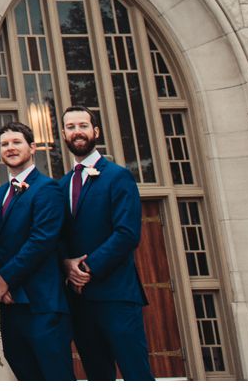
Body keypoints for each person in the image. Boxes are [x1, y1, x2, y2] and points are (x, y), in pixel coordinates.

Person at [59, 106, 153, 380]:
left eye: (83, 125)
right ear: (63, 134)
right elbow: (58, 236)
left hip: (117, 295)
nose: (77, 132)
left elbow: (127, 233)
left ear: (96, 131)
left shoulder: (118, 176)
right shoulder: (62, 185)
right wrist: (66, 264)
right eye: (71, 127)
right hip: (80, 301)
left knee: (137, 375)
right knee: (98, 376)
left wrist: (86, 268)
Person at [0, 121, 73, 381]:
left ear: (32, 147)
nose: (10, 148)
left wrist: (6, 278)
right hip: (10, 305)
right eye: (4, 144)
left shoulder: (48, 188)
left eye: (16, 142)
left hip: (42, 304)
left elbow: (41, 240)